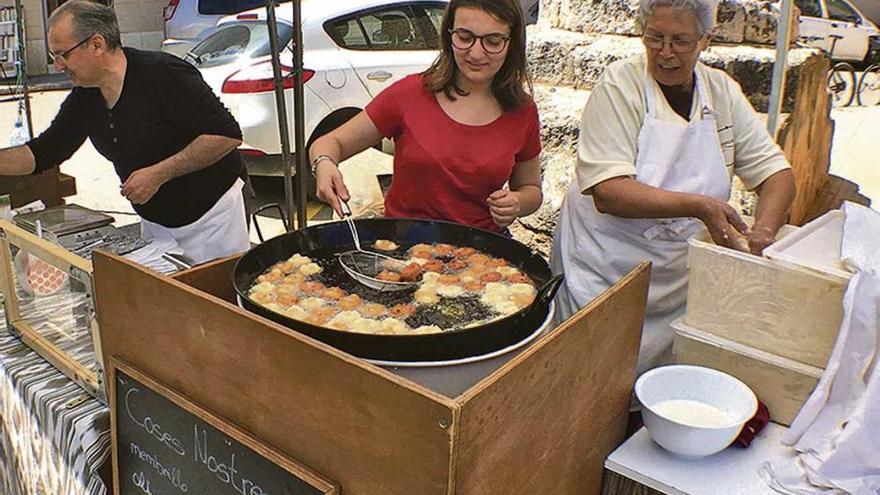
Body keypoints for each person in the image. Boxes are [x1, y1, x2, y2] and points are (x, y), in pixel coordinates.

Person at [550, 0, 796, 375]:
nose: (665, 53)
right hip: (603, 268)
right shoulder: (621, 85)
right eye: (655, 38)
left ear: (705, 40)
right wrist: (699, 206)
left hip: (674, 276)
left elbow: (776, 172)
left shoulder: (721, 92)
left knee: (656, 379)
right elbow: (608, 191)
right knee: (586, 377)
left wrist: (763, 231)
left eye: (680, 41)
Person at [0, 0, 249, 264]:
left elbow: (226, 134)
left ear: (96, 44)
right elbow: (45, 151)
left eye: (63, 54)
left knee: (214, 300)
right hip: (156, 223)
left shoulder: (164, 74)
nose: (58, 65)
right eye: (54, 56)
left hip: (213, 218)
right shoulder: (86, 95)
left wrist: (159, 173)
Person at [310, 0, 542, 234]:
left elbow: (530, 188)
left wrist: (517, 202)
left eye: (493, 41)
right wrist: (324, 163)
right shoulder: (409, 94)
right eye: (464, 37)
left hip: (484, 250)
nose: (476, 52)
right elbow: (330, 143)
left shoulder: (522, 110)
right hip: (404, 246)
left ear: (512, 43)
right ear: (449, 34)